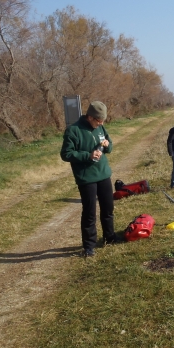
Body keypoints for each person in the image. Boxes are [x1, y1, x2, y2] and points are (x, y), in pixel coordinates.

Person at [60, 101, 117, 257]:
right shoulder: (73, 130)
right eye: (98, 120)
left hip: (103, 174)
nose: (101, 123)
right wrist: (88, 155)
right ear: (90, 117)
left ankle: (109, 237)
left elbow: (110, 146)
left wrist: (106, 145)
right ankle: (89, 246)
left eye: (103, 121)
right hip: (86, 177)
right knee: (89, 213)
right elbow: (66, 154)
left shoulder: (100, 127)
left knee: (108, 208)